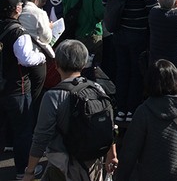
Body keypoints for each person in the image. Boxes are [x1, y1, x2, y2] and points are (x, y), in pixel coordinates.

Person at [23, 40, 117, 181]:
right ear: (84, 64)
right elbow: (109, 125)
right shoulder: (97, 89)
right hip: (93, 166)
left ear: (56, 65)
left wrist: (30, 171)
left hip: (63, 167)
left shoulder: (53, 96)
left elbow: (40, 138)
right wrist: (112, 155)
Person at [108, 0, 158, 123]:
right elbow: (154, 9)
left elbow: (106, 3)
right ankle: (132, 110)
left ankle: (121, 109)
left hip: (119, 34)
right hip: (139, 35)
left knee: (122, 71)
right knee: (137, 73)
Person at [0, 0, 46, 178]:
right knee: (23, 131)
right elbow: (26, 58)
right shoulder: (18, 32)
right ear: (16, 9)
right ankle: (23, 170)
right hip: (16, 88)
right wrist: (41, 56)